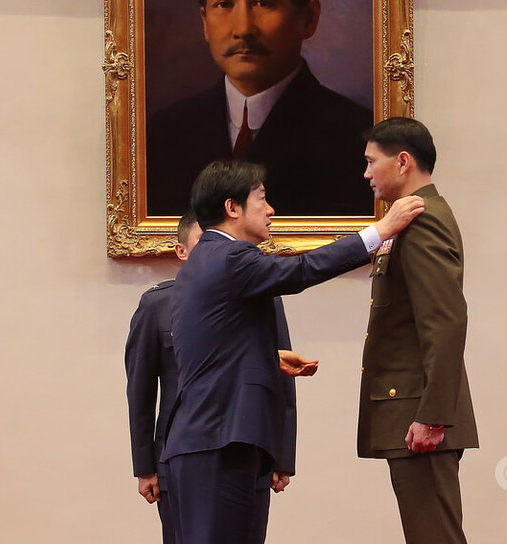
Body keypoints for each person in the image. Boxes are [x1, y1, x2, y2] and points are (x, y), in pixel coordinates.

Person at [162, 160, 425, 544]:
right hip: (219, 442)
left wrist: (267, 359)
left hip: (210, 441)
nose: (271, 210)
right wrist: (380, 231)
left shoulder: (206, 259)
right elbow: (302, 270)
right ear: (232, 208)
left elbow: (210, 348)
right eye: (262, 199)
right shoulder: (230, 257)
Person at [146, 0, 373, 217]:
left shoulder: (359, 137)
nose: (243, 29)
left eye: (263, 3)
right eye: (224, 4)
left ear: (309, 19)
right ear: (204, 21)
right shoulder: (164, 134)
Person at [123, 211, 302, 543]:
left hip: (250, 451)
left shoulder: (263, 299)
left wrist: (282, 456)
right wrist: (145, 466)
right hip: (181, 459)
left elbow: (281, 382)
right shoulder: (157, 305)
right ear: (182, 251)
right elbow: (141, 392)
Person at [357, 117, 478, 544]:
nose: (367, 173)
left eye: (372, 162)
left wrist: (432, 414)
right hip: (411, 410)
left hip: (419, 414)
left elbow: (445, 322)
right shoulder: (407, 218)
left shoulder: (422, 219)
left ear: (403, 161)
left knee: (434, 536)